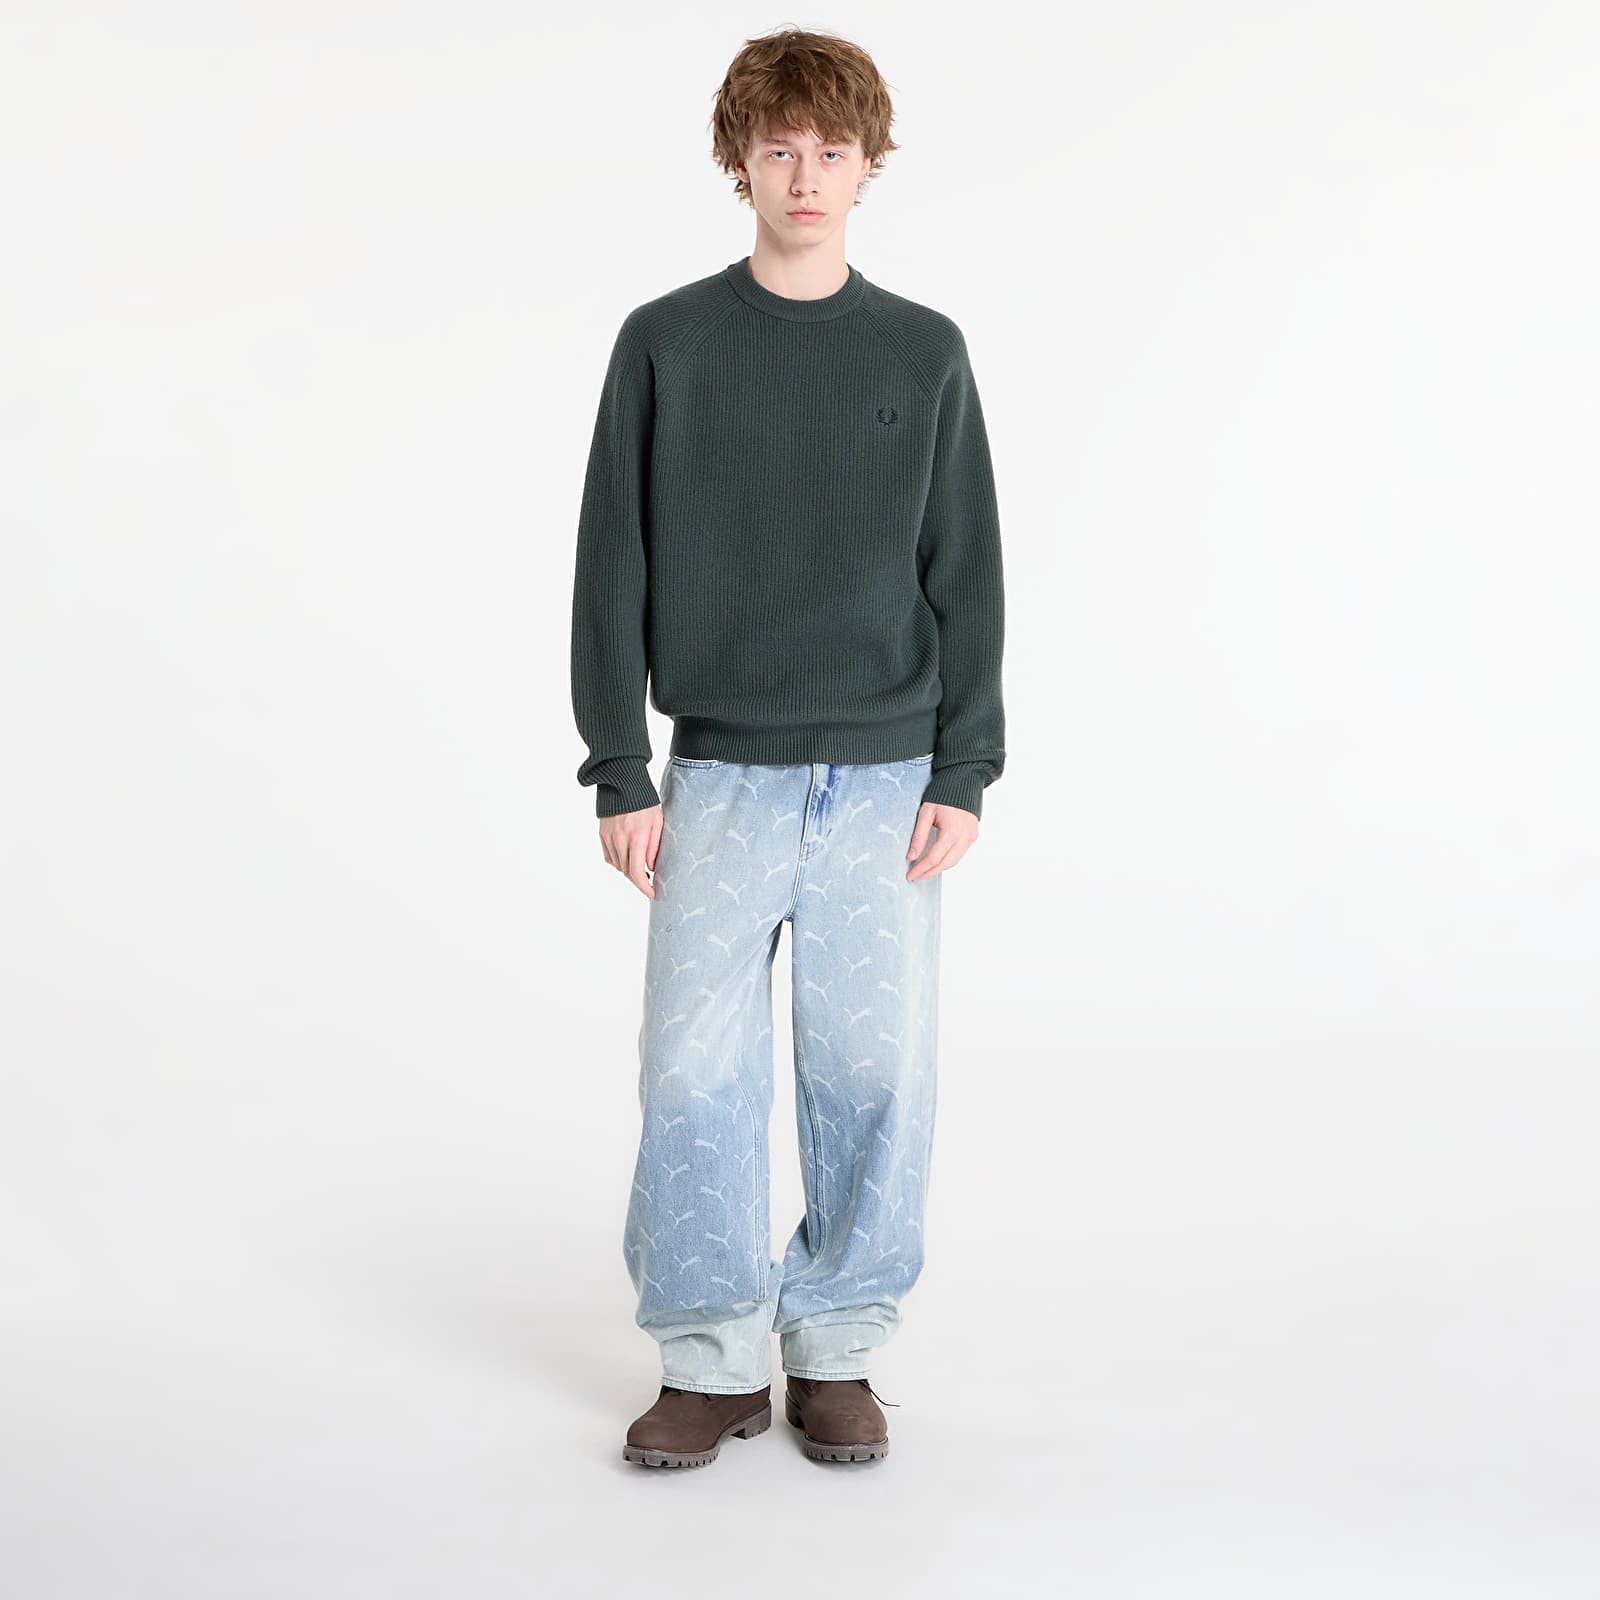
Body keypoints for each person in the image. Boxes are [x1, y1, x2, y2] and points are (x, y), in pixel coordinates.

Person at [569, 26, 1007, 1469]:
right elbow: (613, 558)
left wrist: (965, 766)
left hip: (886, 775)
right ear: (738, 162)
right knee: (692, 1074)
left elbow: (964, 565)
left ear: (869, 166)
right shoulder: (668, 343)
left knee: (872, 1072)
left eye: (831, 151)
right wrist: (619, 764)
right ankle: (707, 1358)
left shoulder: (924, 352)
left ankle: (836, 1347)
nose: (805, 176)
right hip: (720, 772)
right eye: (779, 150)